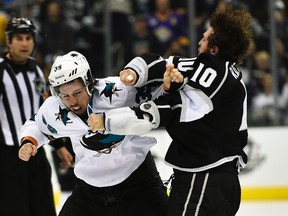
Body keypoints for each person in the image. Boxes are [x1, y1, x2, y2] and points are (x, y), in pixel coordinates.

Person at [87, 5, 254, 216]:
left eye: (208, 35)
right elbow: (162, 63)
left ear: (214, 49)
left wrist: (108, 120)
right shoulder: (220, 71)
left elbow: (173, 107)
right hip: (214, 180)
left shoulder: (214, 71)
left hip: (204, 178)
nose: (202, 36)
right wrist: (134, 73)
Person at [18, 50, 168, 216]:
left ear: (89, 83)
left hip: (139, 185)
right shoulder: (55, 109)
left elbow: (161, 86)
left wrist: (167, 81)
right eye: (65, 95)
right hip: (90, 193)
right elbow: (38, 125)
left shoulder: (117, 92)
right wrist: (29, 141)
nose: (72, 102)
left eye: (77, 93)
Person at [0, 17, 64, 216]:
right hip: (7, 156)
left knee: (44, 208)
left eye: (28, 38)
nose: (25, 43)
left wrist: (59, 145)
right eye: (19, 38)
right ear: (8, 41)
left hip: (36, 151)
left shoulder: (36, 68)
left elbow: (44, 111)